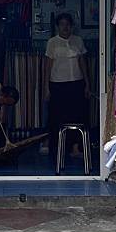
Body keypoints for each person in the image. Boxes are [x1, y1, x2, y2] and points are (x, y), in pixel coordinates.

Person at [44, 13, 90, 166]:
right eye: (62, 24)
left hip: (76, 84)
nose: (65, 27)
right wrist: (46, 88)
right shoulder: (52, 42)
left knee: (77, 116)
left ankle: (75, 147)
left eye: (68, 24)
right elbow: (48, 66)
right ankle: (57, 149)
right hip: (57, 85)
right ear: (58, 27)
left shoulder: (78, 41)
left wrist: (87, 84)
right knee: (57, 117)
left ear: (72, 26)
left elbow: (83, 63)